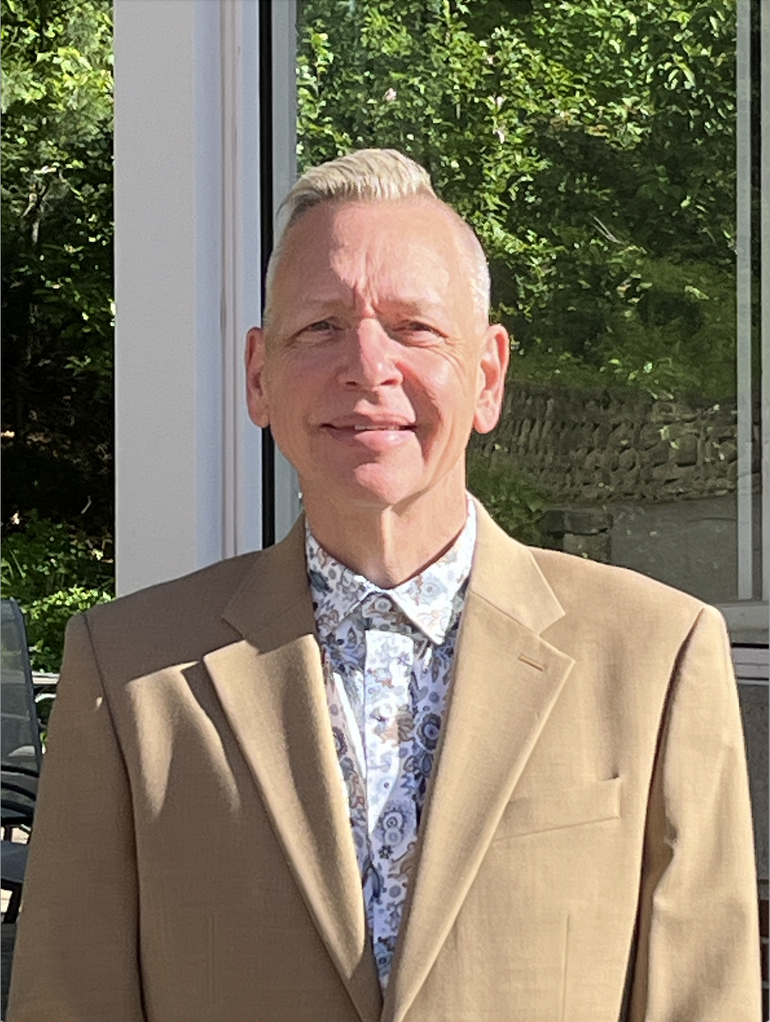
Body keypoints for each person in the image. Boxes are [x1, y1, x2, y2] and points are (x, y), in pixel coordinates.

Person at [8, 149, 760, 1022]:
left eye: (414, 327)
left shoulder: (655, 658)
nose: (368, 367)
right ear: (260, 375)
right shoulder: (132, 673)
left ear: (486, 377)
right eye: (321, 327)